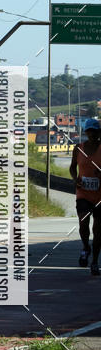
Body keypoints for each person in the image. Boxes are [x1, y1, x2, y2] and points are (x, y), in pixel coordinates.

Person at [69, 118, 101, 276]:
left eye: (95, 131)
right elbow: (72, 168)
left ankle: (94, 261)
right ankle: (86, 247)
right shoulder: (78, 149)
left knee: (98, 230)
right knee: (83, 223)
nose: (92, 134)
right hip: (83, 193)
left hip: (100, 195)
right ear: (86, 132)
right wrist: (75, 179)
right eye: (89, 131)